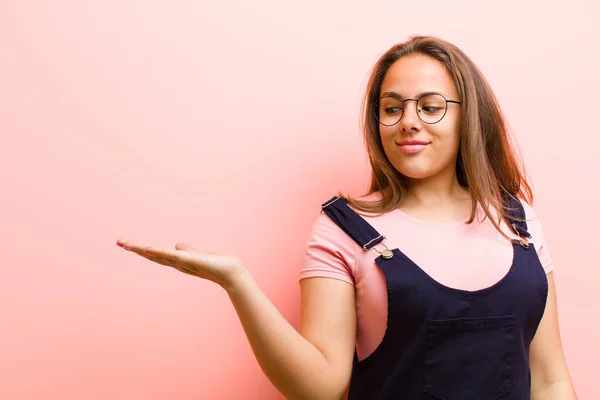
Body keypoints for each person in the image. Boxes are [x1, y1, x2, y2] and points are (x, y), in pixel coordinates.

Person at [116, 36, 577, 399]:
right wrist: (237, 282)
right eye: (392, 108)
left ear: (468, 117)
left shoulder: (518, 223)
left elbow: (550, 379)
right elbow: (319, 389)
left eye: (430, 107)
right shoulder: (344, 230)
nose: (408, 122)